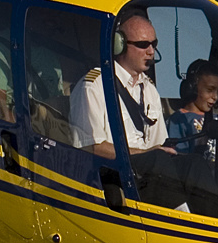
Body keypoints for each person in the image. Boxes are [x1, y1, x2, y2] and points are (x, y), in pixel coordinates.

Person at [69, 12, 173, 159]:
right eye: (142, 45)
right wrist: (145, 155)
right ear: (120, 45)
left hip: (148, 174)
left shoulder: (149, 90)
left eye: (154, 44)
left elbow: (159, 144)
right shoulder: (95, 86)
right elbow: (91, 147)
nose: (151, 52)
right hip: (112, 175)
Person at [167, 59, 218, 163]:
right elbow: (181, 162)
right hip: (200, 175)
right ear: (192, 88)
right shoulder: (178, 121)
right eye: (210, 90)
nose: (215, 97)